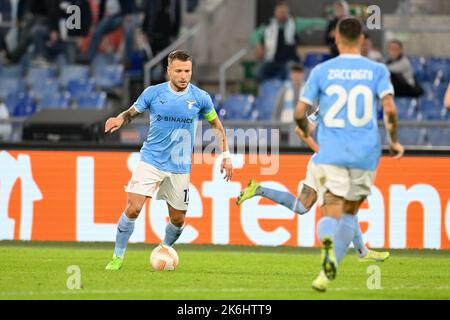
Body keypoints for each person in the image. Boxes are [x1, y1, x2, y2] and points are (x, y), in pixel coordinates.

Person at [294, 17, 404, 292]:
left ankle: (327, 253)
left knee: (331, 210)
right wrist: (395, 141)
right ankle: (326, 273)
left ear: (337, 39)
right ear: (363, 40)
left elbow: (299, 113)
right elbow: (389, 109)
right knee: (349, 214)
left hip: (331, 153)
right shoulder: (377, 70)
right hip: (366, 154)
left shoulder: (322, 70)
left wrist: (304, 130)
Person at [103, 50, 233, 271]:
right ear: (168, 71)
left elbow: (216, 126)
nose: (184, 76)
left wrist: (226, 155)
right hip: (151, 160)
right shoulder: (153, 93)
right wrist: (119, 118)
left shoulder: (200, 98)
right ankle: (117, 257)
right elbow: (132, 113)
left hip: (179, 166)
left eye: (187, 71)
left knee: (178, 220)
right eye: (179, 71)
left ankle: (164, 247)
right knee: (133, 208)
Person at [236, 114, 390, 264]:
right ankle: (357, 252)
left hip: (320, 163)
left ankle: (258, 189)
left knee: (301, 207)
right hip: (328, 166)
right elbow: (300, 131)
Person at [251, 1, 327, 82]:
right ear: (275, 12)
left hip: (288, 60)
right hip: (271, 60)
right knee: (258, 73)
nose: (282, 14)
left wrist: (330, 24)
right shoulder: (268, 25)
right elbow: (254, 35)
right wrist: (258, 45)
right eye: (280, 12)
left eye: (284, 12)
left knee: (288, 73)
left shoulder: (294, 23)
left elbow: (313, 23)